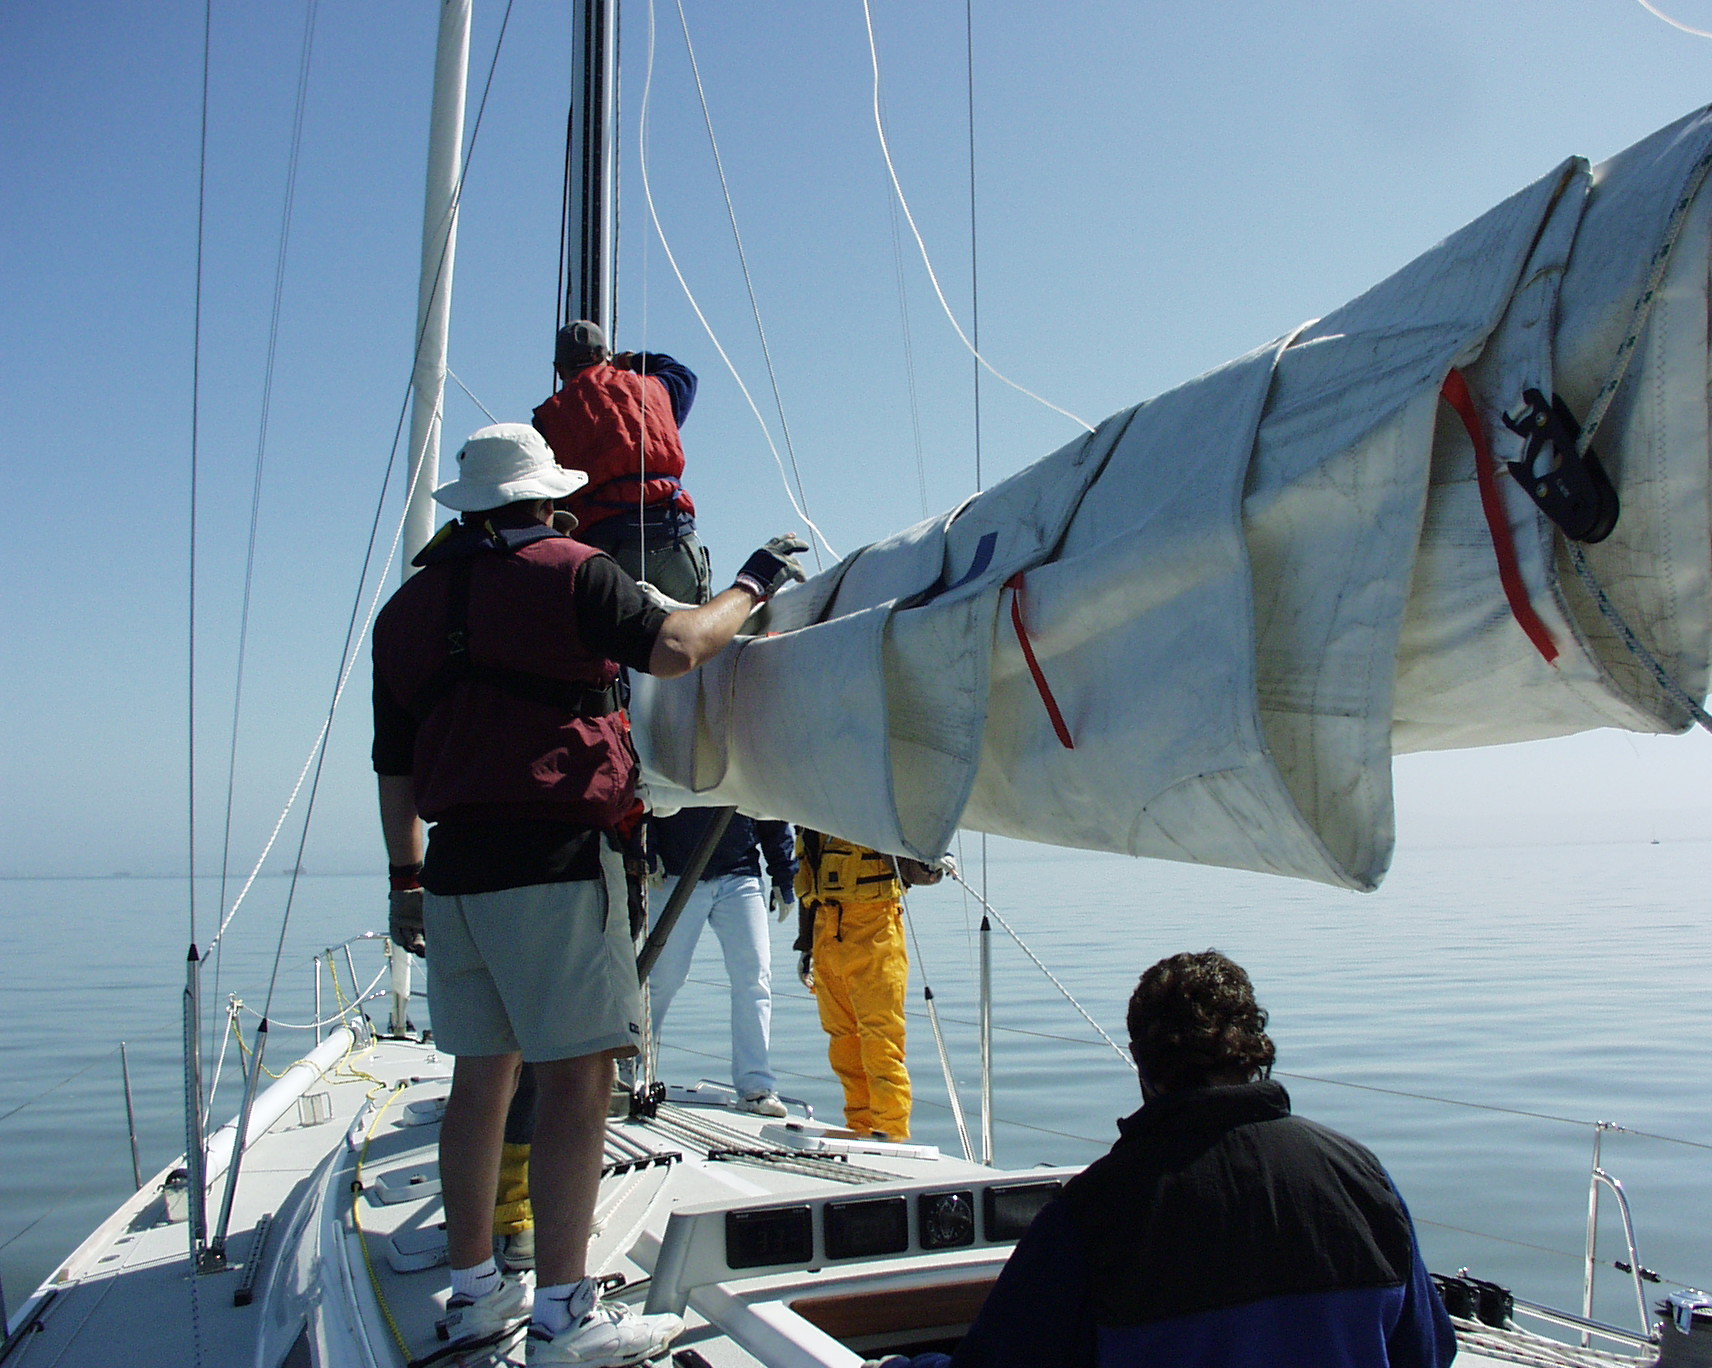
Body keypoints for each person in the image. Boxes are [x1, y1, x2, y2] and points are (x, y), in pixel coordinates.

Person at [374, 422, 806, 1367]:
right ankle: (563, 1318)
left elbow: (394, 767)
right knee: (578, 1079)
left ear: (470, 506)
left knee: (479, 1079)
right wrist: (753, 584)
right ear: (545, 498)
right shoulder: (574, 573)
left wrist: (406, 881)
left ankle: (475, 1293)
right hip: (557, 860)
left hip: (452, 875)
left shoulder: (405, 611)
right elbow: (679, 647)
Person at [872, 949, 1456, 1368]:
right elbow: (1430, 1352)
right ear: (1254, 1050)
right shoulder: (1362, 1178)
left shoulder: (1096, 1213)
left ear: (1142, 1062)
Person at [532, 319, 707, 605]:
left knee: (614, 634)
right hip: (675, 538)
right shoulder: (655, 388)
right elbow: (683, 374)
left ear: (559, 369)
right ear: (605, 356)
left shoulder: (548, 418)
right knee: (696, 630)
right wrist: (632, 360)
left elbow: (550, 493)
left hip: (608, 550)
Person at [792, 832, 945, 1142]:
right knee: (842, 1041)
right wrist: (806, 945)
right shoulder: (812, 819)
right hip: (826, 932)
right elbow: (810, 873)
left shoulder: (874, 817)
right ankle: (859, 1126)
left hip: (875, 928)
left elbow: (916, 869)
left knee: (882, 1040)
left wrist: (930, 860)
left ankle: (891, 1132)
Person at [646, 808, 797, 1116]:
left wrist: (783, 875)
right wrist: (648, 851)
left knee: (755, 978)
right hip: (674, 873)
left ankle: (756, 1088)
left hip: (740, 874)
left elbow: (770, 809)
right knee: (661, 978)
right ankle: (631, 1070)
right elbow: (647, 796)